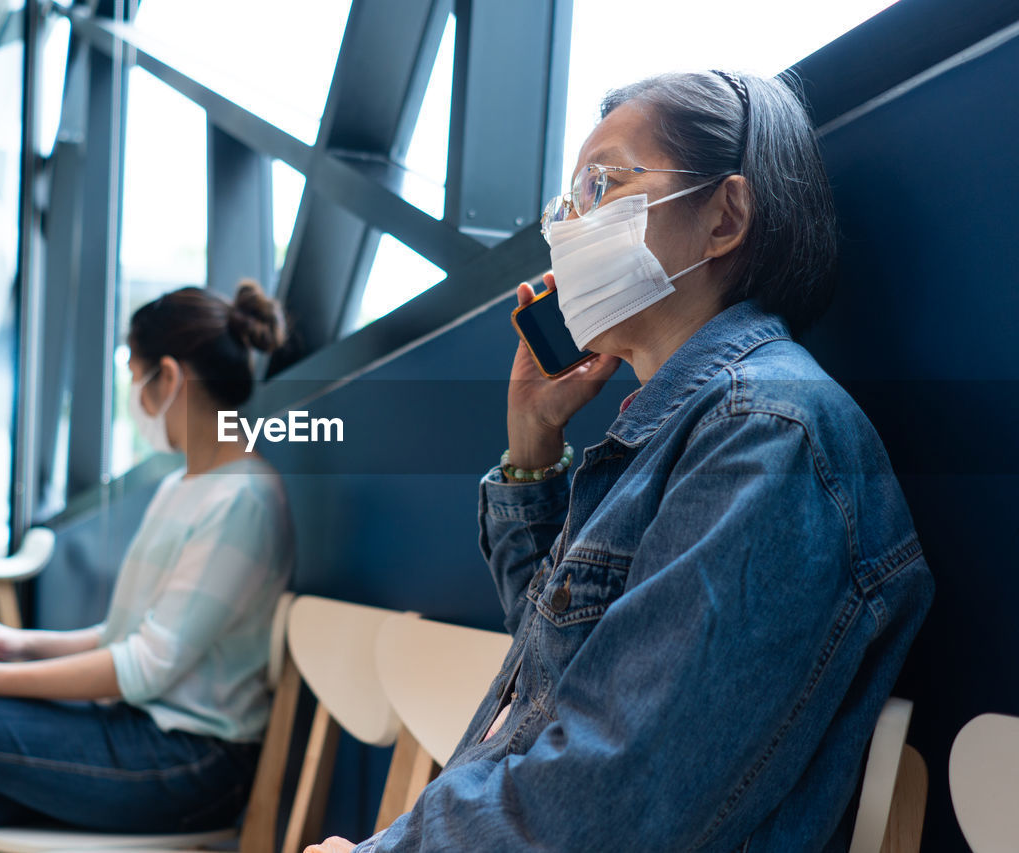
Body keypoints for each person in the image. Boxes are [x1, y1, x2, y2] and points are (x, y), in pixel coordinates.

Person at [308, 70, 933, 852]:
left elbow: (612, 790)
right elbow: (560, 665)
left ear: (724, 216)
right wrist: (533, 443)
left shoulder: (767, 433)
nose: (567, 225)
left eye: (600, 184)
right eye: (565, 202)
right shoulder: (677, 428)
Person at [0, 280, 296, 853]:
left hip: (191, 766)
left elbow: (144, 666)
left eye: (134, 376)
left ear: (168, 378)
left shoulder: (243, 498)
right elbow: (127, 637)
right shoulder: (182, 487)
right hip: (139, 734)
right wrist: (14, 644)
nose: (134, 395)